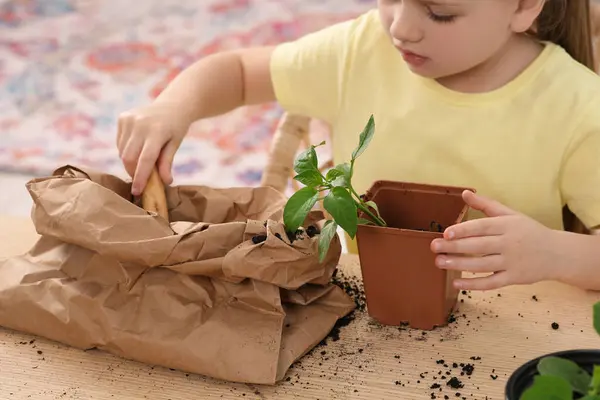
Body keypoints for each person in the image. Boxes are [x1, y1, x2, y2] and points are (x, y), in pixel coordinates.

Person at [116, 0, 600, 292]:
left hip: (515, 336)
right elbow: (240, 74)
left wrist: (555, 253)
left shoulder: (578, 107)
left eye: (440, 11)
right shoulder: (361, 49)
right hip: (357, 311)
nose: (401, 27)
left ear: (523, 7)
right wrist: (172, 107)